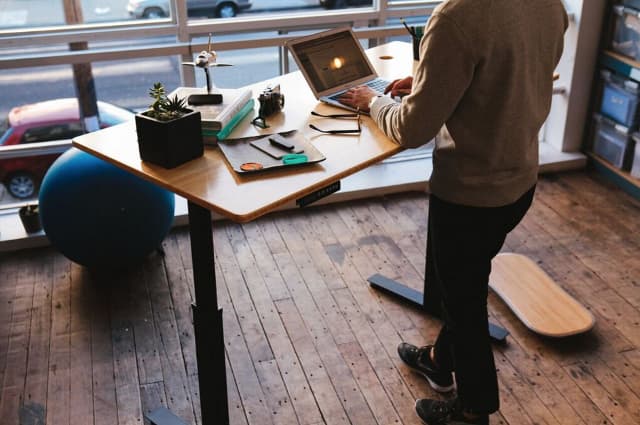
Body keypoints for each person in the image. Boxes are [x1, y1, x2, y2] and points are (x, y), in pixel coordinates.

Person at [339, 1, 568, 424]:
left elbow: (411, 130)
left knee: (464, 307)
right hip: (518, 183)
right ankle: (437, 361)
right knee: (465, 284)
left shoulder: (455, 17)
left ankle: (474, 410)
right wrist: (434, 84)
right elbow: (516, 72)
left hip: (470, 196)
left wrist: (372, 102)